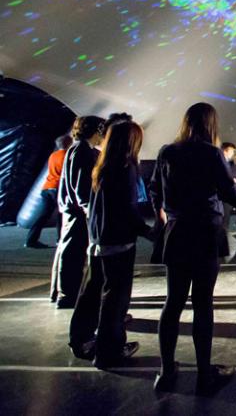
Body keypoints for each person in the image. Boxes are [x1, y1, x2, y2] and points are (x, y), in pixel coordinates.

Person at [149, 103, 236, 395]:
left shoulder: (168, 151)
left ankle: (167, 372)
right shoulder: (210, 153)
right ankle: (204, 375)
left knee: (173, 302)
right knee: (202, 303)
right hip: (205, 231)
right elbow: (229, 193)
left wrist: (164, 217)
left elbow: (155, 188)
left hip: (178, 232)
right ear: (210, 124)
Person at [70, 120, 154, 367]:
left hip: (98, 239)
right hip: (118, 242)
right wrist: (146, 231)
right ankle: (109, 350)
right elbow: (127, 209)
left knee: (92, 293)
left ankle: (81, 340)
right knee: (115, 298)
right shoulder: (125, 168)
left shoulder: (102, 165)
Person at [50, 115, 105, 309]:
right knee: (73, 251)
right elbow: (81, 187)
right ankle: (68, 295)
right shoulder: (82, 151)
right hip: (77, 211)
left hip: (73, 209)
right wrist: (89, 209)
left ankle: (62, 292)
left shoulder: (78, 149)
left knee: (68, 249)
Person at [26, 134, 73, 249]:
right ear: (69, 143)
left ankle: (31, 240)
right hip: (58, 188)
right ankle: (61, 239)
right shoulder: (68, 156)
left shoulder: (53, 155)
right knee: (62, 214)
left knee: (43, 216)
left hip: (47, 187)